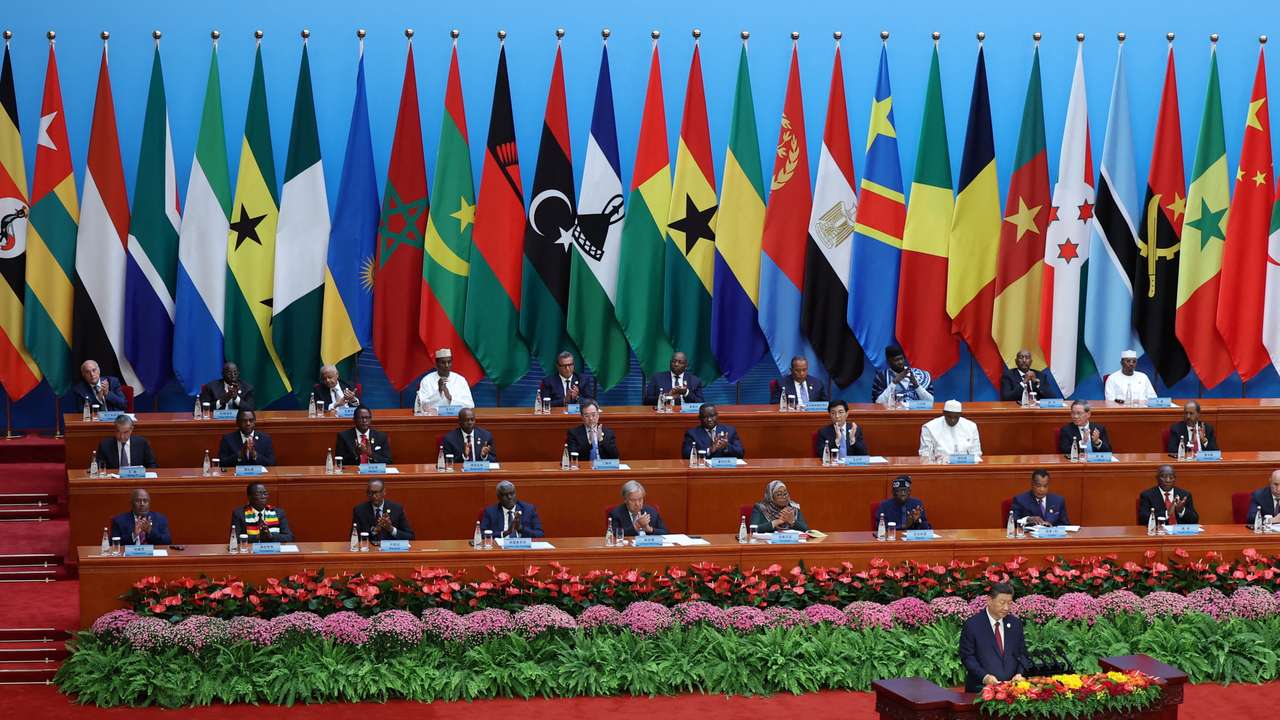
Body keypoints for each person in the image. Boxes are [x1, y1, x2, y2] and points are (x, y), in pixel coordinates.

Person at [959, 583, 1028, 692]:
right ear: (989, 600)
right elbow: (967, 657)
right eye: (1002, 602)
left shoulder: (1015, 624)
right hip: (981, 690)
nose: (1006, 608)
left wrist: (1019, 674)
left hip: (1011, 690)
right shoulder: (972, 625)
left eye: (1009, 603)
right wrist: (984, 677)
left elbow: (1022, 654)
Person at [351, 479, 414, 543]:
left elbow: (410, 537)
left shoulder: (396, 509)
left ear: (384, 492)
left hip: (391, 550)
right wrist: (374, 531)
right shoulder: (360, 510)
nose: (373, 496)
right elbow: (355, 538)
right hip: (370, 550)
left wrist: (391, 529)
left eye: (376, 492)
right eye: (370, 493)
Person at [479, 480, 544, 538]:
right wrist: (505, 533)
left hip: (523, 549)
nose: (509, 497)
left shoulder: (529, 509)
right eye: (505, 495)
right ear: (499, 497)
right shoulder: (490, 512)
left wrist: (520, 528)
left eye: (512, 493)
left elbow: (540, 534)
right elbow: (481, 534)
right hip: (500, 549)